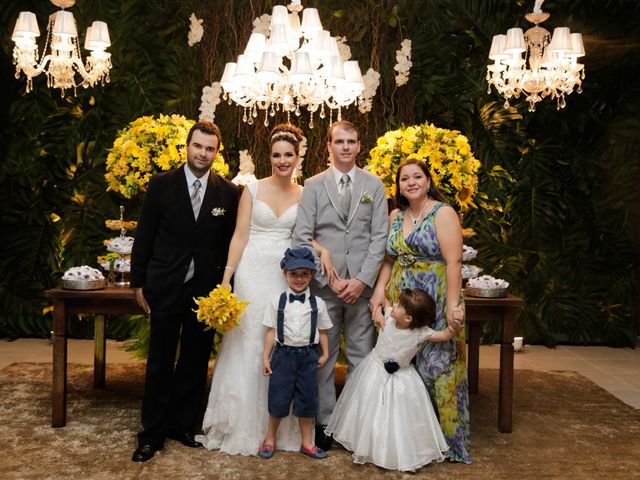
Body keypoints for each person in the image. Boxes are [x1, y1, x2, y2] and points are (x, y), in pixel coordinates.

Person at [130, 120, 239, 462]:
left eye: (210, 149)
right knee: (160, 361)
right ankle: (152, 434)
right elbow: (144, 235)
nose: (203, 153)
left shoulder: (228, 192)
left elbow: (228, 244)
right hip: (165, 284)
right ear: (187, 146)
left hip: (205, 292)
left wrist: (225, 288)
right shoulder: (162, 185)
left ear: (216, 153)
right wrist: (137, 282)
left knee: (194, 361)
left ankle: (182, 425)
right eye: (198, 146)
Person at [197, 124, 307, 455]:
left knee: (278, 340)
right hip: (250, 273)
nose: (282, 160)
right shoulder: (252, 190)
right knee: (246, 340)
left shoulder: (304, 194)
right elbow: (240, 235)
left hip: (282, 276)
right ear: (269, 157)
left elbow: (304, 237)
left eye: (288, 155)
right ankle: (239, 423)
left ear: (297, 157)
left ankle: (275, 428)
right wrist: (228, 277)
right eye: (276, 155)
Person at [292, 120, 389, 450]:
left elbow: (380, 237)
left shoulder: (373, 186)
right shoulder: (314, 185)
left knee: (362, 357)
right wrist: (331, 282)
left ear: (359, 146)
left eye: (352, 141)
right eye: (340, 142)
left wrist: (362, 281)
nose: (346, 147)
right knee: (324, 358)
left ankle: (357, 423)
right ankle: (326, 423)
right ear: (329, 147)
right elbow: (301, 236)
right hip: (326, 289)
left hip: (361, 290)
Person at [370, 158, 471, 463]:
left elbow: (454, 262)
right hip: (401, 300)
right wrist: (378, 292)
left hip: (438, 296)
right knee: (402, 366)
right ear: (398, 185)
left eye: (417, 177)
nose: (411, 182)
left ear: (428, 181)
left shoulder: (443, 213)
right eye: (404, 179)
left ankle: (448, 442)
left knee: (439, 368)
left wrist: (453, 305)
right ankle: (409, 440)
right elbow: (388, 260)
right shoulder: (396, 217)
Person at [326, 288, 463, 472]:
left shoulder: (420, 333)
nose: (394, 306)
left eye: (399, 306)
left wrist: (452, 328)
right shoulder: (389, 316)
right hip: (374, 370)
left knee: (400, 415)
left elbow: (443, 335)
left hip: (403, 378)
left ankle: (404, 453)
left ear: (408, 319)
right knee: (370, 408)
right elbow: (378, 308)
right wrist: (376, 313)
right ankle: (368, 444)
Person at [259, 247, 332, 460]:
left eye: (304, 274)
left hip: (308, 357)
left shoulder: (318, 304)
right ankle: (270, 438)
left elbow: (323, 331)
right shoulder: (276, 302)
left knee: (308, 400)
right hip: (282, 356)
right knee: (278, 398)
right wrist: (266, 357)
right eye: (294, 274)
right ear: (285, 274)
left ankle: (307, 443)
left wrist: (325, 354)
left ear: (311, 275)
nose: (299, 279)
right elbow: (271, 331)